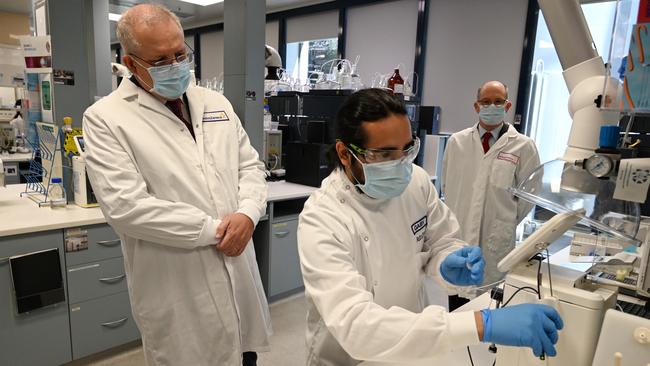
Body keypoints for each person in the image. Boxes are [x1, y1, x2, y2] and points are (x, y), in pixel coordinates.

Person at [297, 88, 562, 365]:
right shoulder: (322, 218)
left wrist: (446, 261)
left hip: (414, 340)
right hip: (347, 357)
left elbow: (440, 240)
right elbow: (357, 326)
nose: (400, 165)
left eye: (407, 149)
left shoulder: (416, 182)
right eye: (385, 154)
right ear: (344, 153)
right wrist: (482, 325)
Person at [82, 4, 270, 366]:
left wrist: (247, 213)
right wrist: (216, 230)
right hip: (177, 290)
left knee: (244, 355)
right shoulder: (106, 118)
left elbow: (249, 166)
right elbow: (127, 208)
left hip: (239, 273)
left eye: (181, 54)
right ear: (131, 63)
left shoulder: (215, 103)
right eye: (161, 60)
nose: (176, 66)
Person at [441, 81, 540, 310]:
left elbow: (529, 196)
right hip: (460, 234)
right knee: (456, 305)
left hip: (495, 241)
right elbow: (448, 185)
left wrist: (503, 221)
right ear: (476, 106)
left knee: (488, 308)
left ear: (507, 106)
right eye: (485, 102)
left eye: (498, 101)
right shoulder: (457, 142)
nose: (491, 106)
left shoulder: (523, 146)